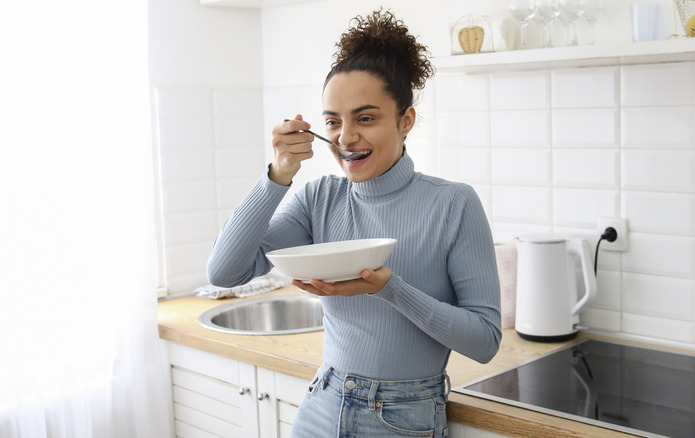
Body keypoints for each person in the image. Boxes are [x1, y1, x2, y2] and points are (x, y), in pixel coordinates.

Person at [207, 9, 501, 437]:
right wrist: (279, 173)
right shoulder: (319, 197)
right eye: (333, 121)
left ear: (406, 121)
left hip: (404, 416)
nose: (345, 137)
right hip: (323, 402)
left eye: (365, 118)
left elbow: (485, 341)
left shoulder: (453, 203)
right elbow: (224, 273)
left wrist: (389, 289)